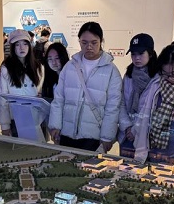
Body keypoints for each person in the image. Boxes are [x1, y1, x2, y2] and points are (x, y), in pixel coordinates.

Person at [49, 21, 122, 152]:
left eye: (94, 42)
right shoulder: (70, 66)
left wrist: (107, 136)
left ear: (101, 41)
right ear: (79, 42)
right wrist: (55, 125)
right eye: (84, 42)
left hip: (93, 137)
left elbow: (113, 107)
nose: (89, 47)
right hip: (66, 133)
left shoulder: (111, 71)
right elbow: (59, 99)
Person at [118, 33, 158, 156]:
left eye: (141, 54)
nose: (136, 58)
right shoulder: (129, 75)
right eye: (133, 54)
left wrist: (136, 129)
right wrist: (127, 127)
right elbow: (121, 102)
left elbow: (153, 108)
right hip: (127, 134)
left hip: (148, 135)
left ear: (150, 53)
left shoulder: (158, 77)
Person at [0, 29, 43, 136]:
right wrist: (5, 125)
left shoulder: (38, 67)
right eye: (17, 45)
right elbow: (1, 99)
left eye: (25, 44)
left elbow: (40, 92)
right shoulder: (6, 68)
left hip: (35, 119)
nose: (22, 48)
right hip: (16, 119)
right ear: (13, 48)